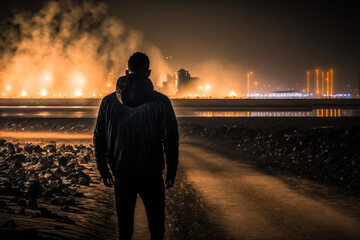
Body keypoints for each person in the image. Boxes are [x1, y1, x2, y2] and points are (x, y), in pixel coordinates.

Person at [93, 52, 179, 240]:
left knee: (125, 231)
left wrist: (103, 169)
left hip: (122, 173)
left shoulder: (108, 102)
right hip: (151, 174)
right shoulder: (161, 102)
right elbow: (170, 138)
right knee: (157, 230)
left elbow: (99, 138)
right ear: (148, 72)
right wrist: (172, 169)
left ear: (127, 71)